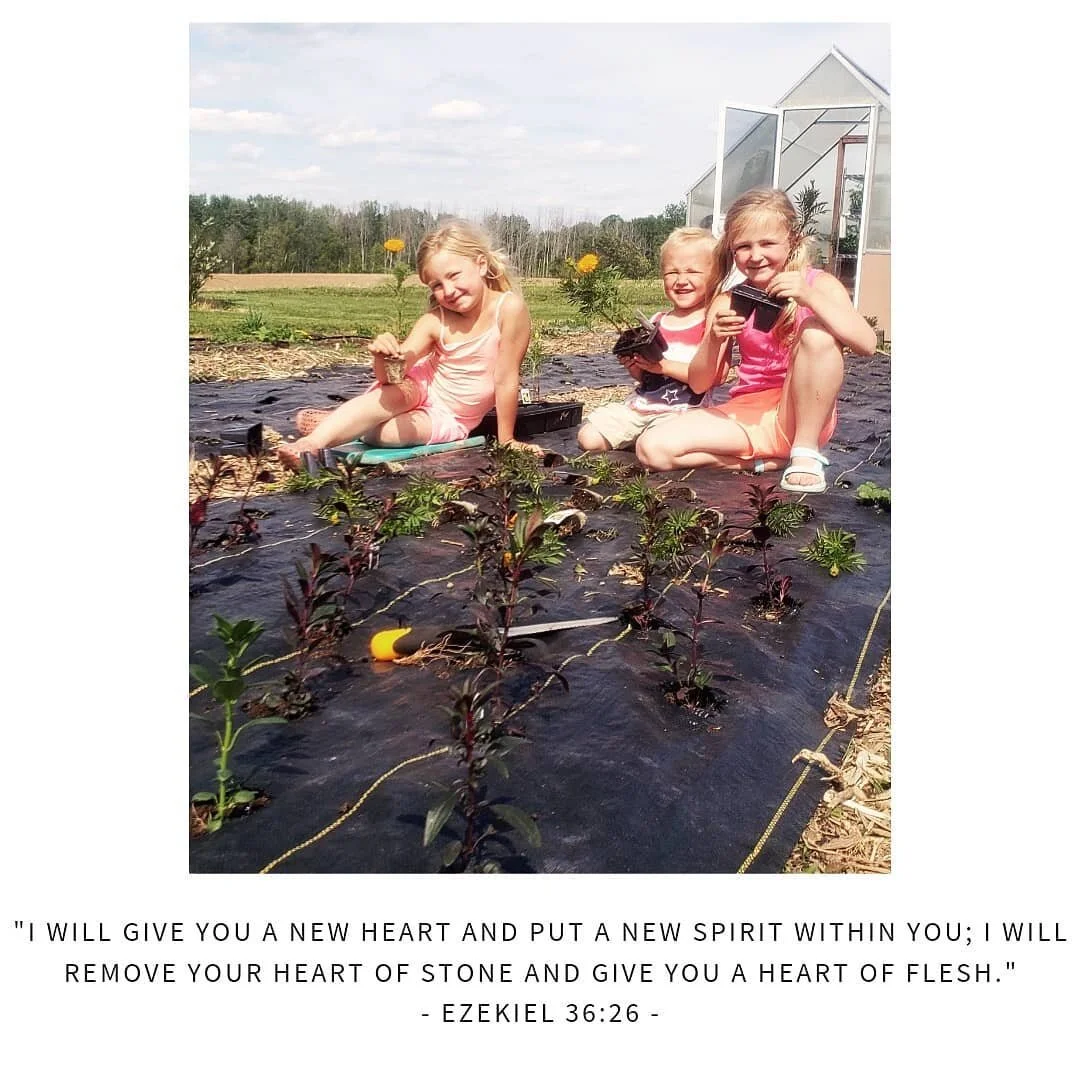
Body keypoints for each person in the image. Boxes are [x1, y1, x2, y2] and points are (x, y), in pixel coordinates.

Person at [635, 188, 878, 491]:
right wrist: (713, 339)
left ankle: (805, 452)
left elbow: (867, 345)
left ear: (792, 240)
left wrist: (809, 297)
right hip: (748, 412)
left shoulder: (820, 285)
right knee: (652, 448)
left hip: (802, 414)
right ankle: (765, 462)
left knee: (816, 331)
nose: (755, 255)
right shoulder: (728, 301)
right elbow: (699, 383)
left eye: (767, 243)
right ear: (732, 250)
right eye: (744, 246)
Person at [278, 220, 538, 468]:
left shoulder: (508, 309)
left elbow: (505, 378)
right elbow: (391, 378)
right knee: (388, 397)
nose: (448, 290)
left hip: (449, 416)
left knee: (384, 434)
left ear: (480, 264)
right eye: (437, 285)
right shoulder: (435, 320)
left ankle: (339, 423)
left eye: (454, 276)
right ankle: (311, 444)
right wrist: (383, 357)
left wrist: (507, 440)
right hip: (417, 388)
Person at [576, 227, 720, 453]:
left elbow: (708, 378)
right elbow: (645, 378)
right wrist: (635, 366)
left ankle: (646, 441)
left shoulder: (710, 324)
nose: (681, 280)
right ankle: (637, 437)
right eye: (672, 272)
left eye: (692, 271)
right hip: (642, 407)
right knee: (589, 437)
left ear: (715, 276)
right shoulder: (656, 322)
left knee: (656, 444)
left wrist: (662, 366)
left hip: (682, 412)